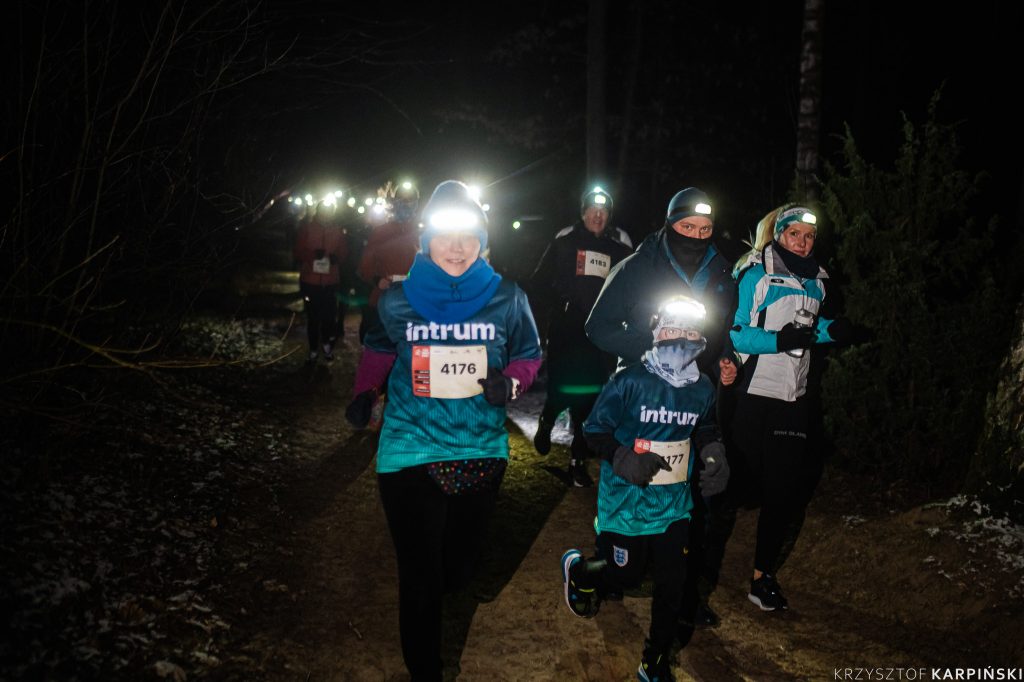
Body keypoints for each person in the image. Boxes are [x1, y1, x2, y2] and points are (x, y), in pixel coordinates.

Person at [344, 180, 542, 681]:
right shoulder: (397, 300)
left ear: (483, 241)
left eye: (467, 236)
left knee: (457, 571)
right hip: (408, 448)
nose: (455, 248)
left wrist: (511, 386)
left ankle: (452, 580)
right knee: (420, 575)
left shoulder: (507, 297)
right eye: (444, 236)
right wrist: (364, 393)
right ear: (425, 241)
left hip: (479, 448)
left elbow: (528, 355)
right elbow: (380, 347)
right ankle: (425, 672)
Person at [584, 186, 738, 628]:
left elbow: (721, 329)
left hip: (693, 396)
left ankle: (685, 594)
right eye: (687, 226)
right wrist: (656, 351)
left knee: (691, 502)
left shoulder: (720, 271)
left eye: (705, 229)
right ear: (670, 224)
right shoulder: (637, 266)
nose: (696, 235)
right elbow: (598, 326)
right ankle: (608, 566)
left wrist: (725, 358)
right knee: (633, 493)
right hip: (641, 397)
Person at [560, 295, 729, 682]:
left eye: (692, 331)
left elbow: (704, 425)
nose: (684, 339)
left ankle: (654, 662)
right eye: (676, 329)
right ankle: (582, 572)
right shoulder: (629, 381)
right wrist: (622, 458)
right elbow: (594, 430)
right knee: (626, 576)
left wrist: (715, 453)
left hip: (673, 505)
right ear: (658, 332)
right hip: (626, 502)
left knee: (673, 581)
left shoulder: (702, 386)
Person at [728, 203, 852, 611]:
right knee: (734, 488)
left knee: (782, 492)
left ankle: (762, 577)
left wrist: (837, 331)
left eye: (809, 235)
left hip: (792, 400)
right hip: (752, 394)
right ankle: (694, 561)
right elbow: (737, 333)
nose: (802, 241)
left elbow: (811, 332)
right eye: (794, 233)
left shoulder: (818, 280)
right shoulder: (755, 273)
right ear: (779, 234)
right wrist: (779, 341)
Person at [528, 185, 633, 487]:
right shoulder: (565, 242)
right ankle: (547, 420)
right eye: (593, 210)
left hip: (599, 334)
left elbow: (634, 280)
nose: (598, 216)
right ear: (583, 212)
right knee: (562, 391)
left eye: (604, 212)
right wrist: (559, 298)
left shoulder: (618, 248)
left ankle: (578, 461)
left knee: (591, 398)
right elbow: (539, 281)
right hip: (567, 331)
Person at [357, 181, 422, 341]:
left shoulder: (423, 234)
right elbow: (365, 266)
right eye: (402, 200)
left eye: (410, 201)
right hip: (384, 300)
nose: (406, 205)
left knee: (414, 355)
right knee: (380, 353)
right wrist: (377, 280)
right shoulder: (381, 232)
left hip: (415, 303)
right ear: (394, 203)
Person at [294, 201, 348, 363]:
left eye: (328, 211)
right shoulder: (307, 228)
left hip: (330, 281)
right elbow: (297, 250)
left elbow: (344, 251)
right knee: (312, 317)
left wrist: (336, 258)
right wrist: (312, 256)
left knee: (329, 316)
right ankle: (313, 350)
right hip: (310, 281)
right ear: (318, 212)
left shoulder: (338, 230)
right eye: (323, 211)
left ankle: (326, 345)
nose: (326, 214)